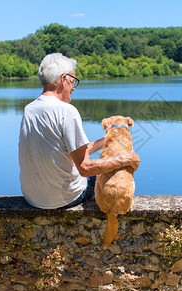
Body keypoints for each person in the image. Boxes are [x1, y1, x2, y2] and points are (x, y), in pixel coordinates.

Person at [18, 53, 140, 209]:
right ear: (63, 79)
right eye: (73, 81)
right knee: (109, 179)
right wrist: (125, 160)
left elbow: (70, 151)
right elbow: (85, 168)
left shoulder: (30, 109)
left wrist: (107, 140)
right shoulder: (66, 111)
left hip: (32, 198)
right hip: (63, 199)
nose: (73, 88)